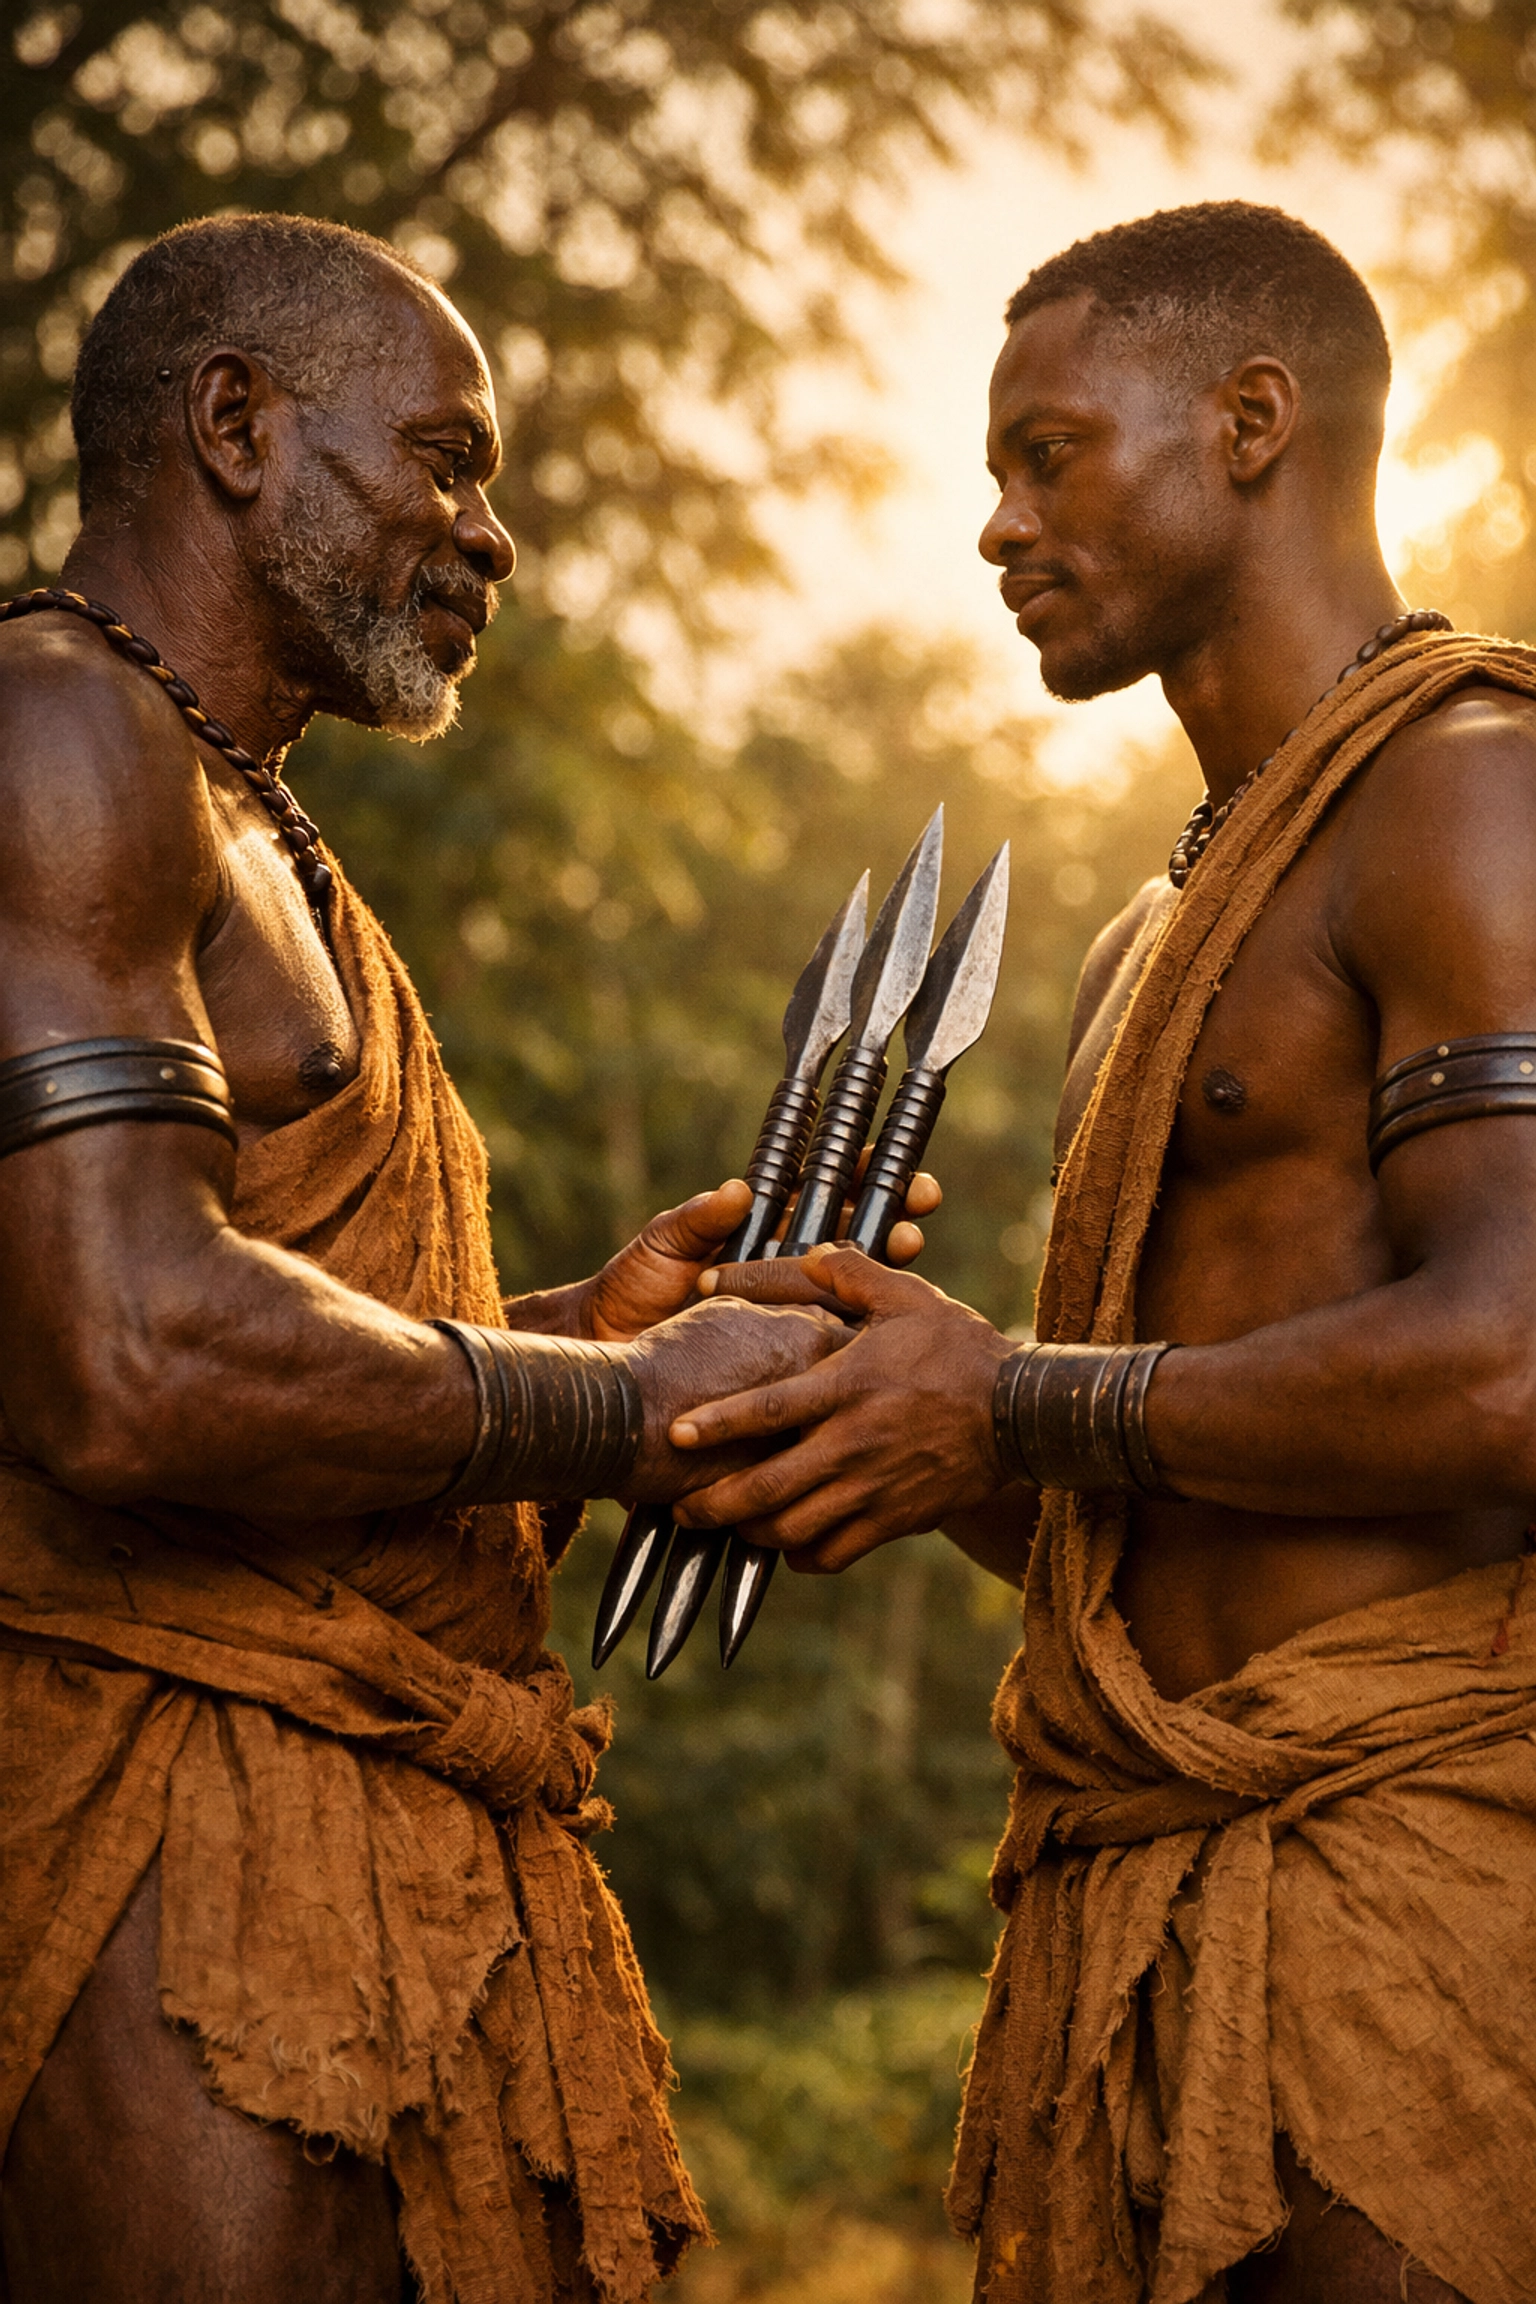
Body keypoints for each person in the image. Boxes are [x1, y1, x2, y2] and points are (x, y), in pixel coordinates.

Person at [0, 212, 938, 2304]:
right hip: (158, 1844)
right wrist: (616, 1407)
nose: (489, 536)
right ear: (235, 425)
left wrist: (577, 1327)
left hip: (372, 1831)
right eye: (445, 461)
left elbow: (256, 1306)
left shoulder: (249, 809)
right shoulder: (58, 734)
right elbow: (126, 1358)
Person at [667, 202, 1536, 2304]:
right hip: (1135, 1895)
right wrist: (897, 1423)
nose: (996, 526)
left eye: (1047, 457)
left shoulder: (1474, 793)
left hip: (1419, 1878)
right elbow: (1150, 1489)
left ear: (1254, 421)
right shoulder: (1148, 936)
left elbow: (1515, 1366)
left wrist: (1015, 1402)